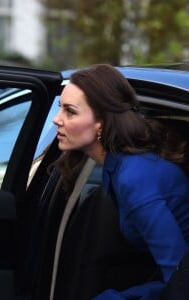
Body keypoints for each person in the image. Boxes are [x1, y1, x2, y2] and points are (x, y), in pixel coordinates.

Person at [52, 64, 189, 299]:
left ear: (101, 124)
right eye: (59, 109)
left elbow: (179, 279)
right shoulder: (120, 167)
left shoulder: (133, 178)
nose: (56, 120)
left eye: (70, 111)